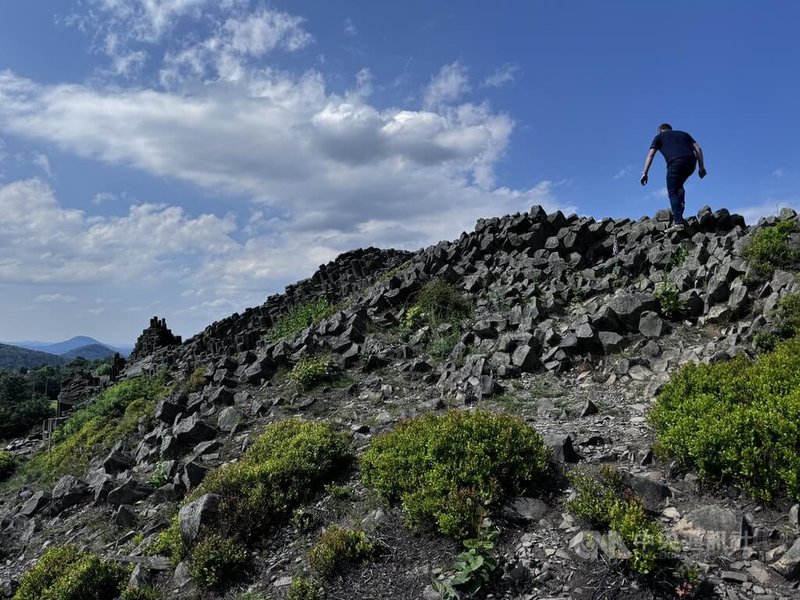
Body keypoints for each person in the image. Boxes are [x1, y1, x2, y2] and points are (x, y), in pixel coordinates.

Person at [640, 123, 706, 229]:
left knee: (673, 191)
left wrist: (645, 173)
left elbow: (651, 154)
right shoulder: (684, 134)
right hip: (691, 163)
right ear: (670, 129)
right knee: (679, 185)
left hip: (676, 163)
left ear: (660, 130)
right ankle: (680, 205)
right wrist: (701, 167)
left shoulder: (659, 137)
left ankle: (678, 222)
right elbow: (698, 149)